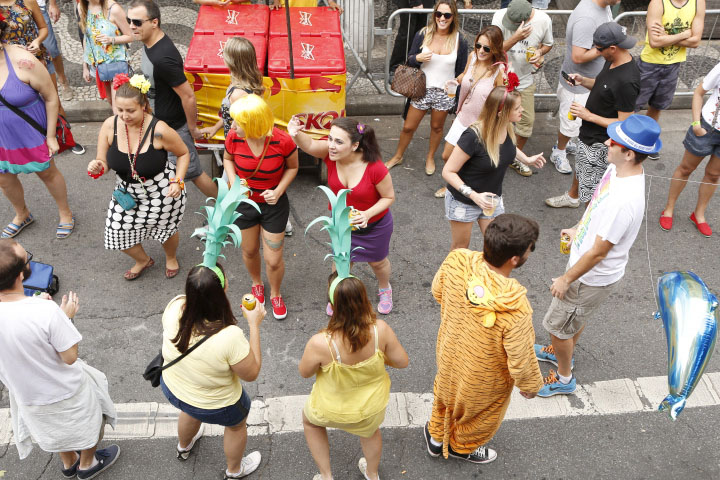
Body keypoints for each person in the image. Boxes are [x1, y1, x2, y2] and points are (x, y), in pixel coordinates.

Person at [535, 115, 660, 397]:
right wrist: (579, 227)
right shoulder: (617, 170)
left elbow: (599, 252)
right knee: (572, 321)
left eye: (613, 142)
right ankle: (559, 352)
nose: (606, 142)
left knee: (558, 326)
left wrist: (566, 279)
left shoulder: (624, 201)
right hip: (587, 271)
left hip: (589, 278)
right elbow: (595, 204)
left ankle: (564, 376)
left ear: (629, 153)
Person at [425, 214, 543, 464]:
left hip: (449, 353)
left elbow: (438, 292)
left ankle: (436, 439)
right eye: (529, 250)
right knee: (479, 416)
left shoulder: (457, 260)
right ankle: (461, 447)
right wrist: (530, 386)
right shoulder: (516, 306)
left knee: (444, 397)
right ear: (514, 258)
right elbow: (521, 358)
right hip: (484, 377)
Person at [0, 239, 120, 479]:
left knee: (52, 430)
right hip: (65, 389)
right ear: (21, 276)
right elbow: (69, 356)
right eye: (28, 258)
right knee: (90, 426)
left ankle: (68, 462)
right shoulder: (45, 311)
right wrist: (64, 318)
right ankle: (88, 463)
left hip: (27, 395)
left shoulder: (38, 309)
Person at [159, 264, 265, 479]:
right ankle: (235, 470)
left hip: (174, 389)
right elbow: (251, 373)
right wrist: (254, 324)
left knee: (189, 410)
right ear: (222, 292)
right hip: (218, 405)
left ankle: (184, 446)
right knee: (236, 427)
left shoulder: (174, 306)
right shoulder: (229, 336)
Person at [299, 275, 409, 480]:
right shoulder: (380, 331)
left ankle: (326, 475)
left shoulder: (320, 343)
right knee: (370, 432)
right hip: (369, 409)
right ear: (364, 299)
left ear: (333, 306)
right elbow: (402, 361)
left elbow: (304, 372)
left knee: (311, 423)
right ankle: (372, 474)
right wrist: (378, 359)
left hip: (330, 408)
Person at [289, 116, 397, 315]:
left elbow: (389, 197)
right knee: (341, 260)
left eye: (339, 142)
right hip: (342, 223)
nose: (331, 145)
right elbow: (311, 144)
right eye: (330, 138)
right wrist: (295, 132)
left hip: (375, 225)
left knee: (377, 262)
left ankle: (384, 288)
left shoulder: (375, 167)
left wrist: (366, 214)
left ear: (355, 145)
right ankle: (338, 292)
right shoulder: (330, 154)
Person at [87, 74, 189, 280]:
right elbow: (103, 161)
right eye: (120, 109)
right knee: (116, 231)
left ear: (143, 105)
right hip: (127, 192)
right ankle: (143, 260)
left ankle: (170, 257)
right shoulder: (109, 126)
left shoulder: (159, 130)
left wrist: (178, 181)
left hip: (161, 189)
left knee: (166, 230)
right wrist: (98, 165)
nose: (124, 115)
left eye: (130, 110)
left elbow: (183, 153)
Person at [128, 0, 218, 200]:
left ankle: (227, 210)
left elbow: (188, 96)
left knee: (194, 172)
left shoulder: (163, 58)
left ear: (154, 22)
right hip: (159, 121)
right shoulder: (149, 42)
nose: (132, 26)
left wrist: (193, 129)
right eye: (129, 21)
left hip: (175, 127)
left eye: (137, 22)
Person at [545, 22, 640, 210]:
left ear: (612, 48)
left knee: (593, 192)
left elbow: (625, 122)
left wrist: (588, 116)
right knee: (581, 169)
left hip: (601, 143)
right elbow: (603, 85)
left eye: (599, 48)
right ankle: (573, 197)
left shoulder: (627, 81)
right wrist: (584, 81)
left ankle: (586, 228)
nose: (596, 51)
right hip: (589, 134)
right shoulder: (613, 60)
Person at [223, 94, 298, 320]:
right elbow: (227, 159)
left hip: (273, 205)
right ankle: (257, 283)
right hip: (244, 202)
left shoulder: (282, 141)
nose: (233, 126)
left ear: (253, 124)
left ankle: (275, 293)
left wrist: (278, 190)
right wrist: (234, 182)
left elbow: (293, 168)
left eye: (238, 123)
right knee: (249, 250)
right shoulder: (234, 138)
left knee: (273, 259)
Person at [442, 85, 545, 251]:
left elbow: (507, 146)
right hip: (464, 201)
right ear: (501, 113)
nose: (522, 110)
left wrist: (526, 159)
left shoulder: (506, 126)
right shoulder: (473, 136)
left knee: (496, 246)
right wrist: (474, 196)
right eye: (517, 108)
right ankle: (454, 277)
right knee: (460, 250)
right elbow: (448, 171)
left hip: (491, 200)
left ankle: (486, 276)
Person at [0, 39, 75, 240]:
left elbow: (51, 97)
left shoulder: (23, 60)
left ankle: (65, 212)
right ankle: (22, 214)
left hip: (30, 130)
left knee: (47, 172)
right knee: (4, 178)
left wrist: (50, 136)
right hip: (1, 137)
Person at [385, 0, 468, 176]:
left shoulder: (459, 40)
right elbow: (409, 60)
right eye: (439, 14)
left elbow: (462, 71)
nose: (442, 18)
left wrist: (457, 94)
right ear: (434, 15)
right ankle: (398, 156)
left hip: (445, 93)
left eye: (447, 15)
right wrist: (418, 58)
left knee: (437, 127)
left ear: (453, 17)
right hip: (422, 89)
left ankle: (430, 157)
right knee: (408, 127)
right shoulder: (423, 34)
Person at [0, 0, 86, 155]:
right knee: (26, 105)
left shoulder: (27, 1)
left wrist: (37, 41)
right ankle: (39, 142)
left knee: (53, 100)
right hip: (12, 65)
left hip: (37, 59)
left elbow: (43, 28)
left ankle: (67, 139)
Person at [547, 0, 617, 177]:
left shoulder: (603, 6)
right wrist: (606, 46)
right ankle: (559, 151)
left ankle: (566, 143)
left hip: (589, 82)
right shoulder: (587, 17)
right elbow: (578, 56)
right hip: (576, 87)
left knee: (575, 124)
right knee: (570, 125)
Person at [434, 25, 505, 199]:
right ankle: (456, 183)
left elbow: (502, 100)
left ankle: (459, 188)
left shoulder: (498, 71)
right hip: (463, 116)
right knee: (447, 155)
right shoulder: (472, 57)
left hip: (479, 124)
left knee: (468, 160)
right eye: (478, 45)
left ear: (495, 48)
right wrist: (454, 81)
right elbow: (465, 75)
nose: (481, 51)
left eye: (486, 48)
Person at [636, 0, 705, 160]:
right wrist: (684, 34)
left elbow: (696, 41)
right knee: (633, 106)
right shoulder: (658, 3)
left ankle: (648, 139)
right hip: (649, 64)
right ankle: (627, 139)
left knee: (657, 106)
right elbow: (654, 42)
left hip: (673, 65)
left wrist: (667, 36)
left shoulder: (698, 2)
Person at [492, 0, 553, 177]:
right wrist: (515, 37)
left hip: (524, 80)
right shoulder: (498, 17)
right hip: (499, 79)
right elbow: (493, 51)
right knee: (494, 119)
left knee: (526, 123)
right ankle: (490, 155)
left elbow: (548, 44)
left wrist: (540, 54)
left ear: (526, 20)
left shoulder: (543, 20)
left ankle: (513, 157)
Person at [659, 62, 720, 237]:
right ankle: (669, 209)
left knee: (714, 175)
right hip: (707, 126)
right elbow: (699, 92)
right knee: (686, 168)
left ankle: (699, 215)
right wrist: (696, 124)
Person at [198, 36, 265, 141]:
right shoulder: (245, 81)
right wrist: (215, 128)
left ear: (231, 61)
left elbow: (246, 130)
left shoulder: (238, 94)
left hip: (236, 145)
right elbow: (230, 116)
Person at [77, 0, 132, 110]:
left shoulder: (114, 9)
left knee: (119, 107)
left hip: (117, 64)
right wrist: (85, 66)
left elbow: (130, 36)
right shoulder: (81, 7)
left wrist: (111, 40)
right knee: (111, 101)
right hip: (100, 66)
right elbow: (87, 38)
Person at [388, 0, 434, 76]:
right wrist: (416, 2)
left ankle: (413, 66)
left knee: (420, 34)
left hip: (425, 3)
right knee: (406, 34)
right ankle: (396, 68)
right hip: (410, 4)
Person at [40, 0, 73, 101]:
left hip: (38, 8)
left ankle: (63, 81)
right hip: (15, 11)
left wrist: (53, 4)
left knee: (51, 49)